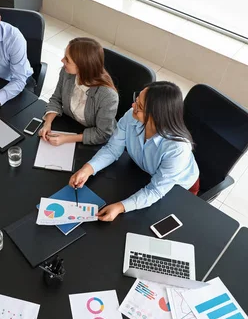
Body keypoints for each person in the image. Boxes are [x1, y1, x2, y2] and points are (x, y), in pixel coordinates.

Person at [69, 81, 200, 221]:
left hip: (178, 187)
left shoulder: (177, 149)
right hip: (144, 172)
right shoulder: (132, 116)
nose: (133, 106)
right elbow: (113, 149)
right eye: (137, 100)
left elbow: (156, 190)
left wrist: (120, 207)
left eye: (140, 106)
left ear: (157, 115)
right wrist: (87, 169)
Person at [40, 37, 118, 146]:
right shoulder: (67, 73)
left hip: (93, 139)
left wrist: (66, 139)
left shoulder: (108, 96)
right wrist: (47, 124)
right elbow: (56, 99)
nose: (62, 61)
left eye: (67, 59)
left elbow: (103, 134)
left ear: (82, 66)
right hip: (71, 125)